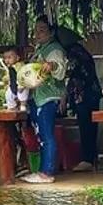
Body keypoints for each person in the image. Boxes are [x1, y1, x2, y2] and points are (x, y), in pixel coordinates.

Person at [20, 17, 67, 184]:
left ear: (51, 32)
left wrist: (51, 66)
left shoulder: (54, 49)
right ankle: (42, 170)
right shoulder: (40, 50)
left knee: (47, 135)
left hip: (48, 97)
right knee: (41, 134)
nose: (37, 34)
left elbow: (58, 67)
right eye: (36, 30)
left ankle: (47, 172)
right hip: (38, 97)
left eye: (42, 30)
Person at [59, 26, 101, 173]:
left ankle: (87, 160)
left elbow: (68, 74)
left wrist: (64, 96)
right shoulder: (79, 51)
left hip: (85, 94)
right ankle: (90, 158)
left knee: (86, 126)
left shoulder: (73, 53)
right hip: (89, 93)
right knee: (89, 127)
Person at [0, 47, 31, 113]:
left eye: (9, 57)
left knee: (22, 93)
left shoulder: (20, 66)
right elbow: (9, 76)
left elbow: (23, 76)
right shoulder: (10, 67)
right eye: (5, 58)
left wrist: (21, 86)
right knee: (8, 94)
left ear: (17, 58)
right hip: (13, 85)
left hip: (21, 84)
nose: (7, 60)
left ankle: (23, 105)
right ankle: (11, 106)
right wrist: (6, 79)